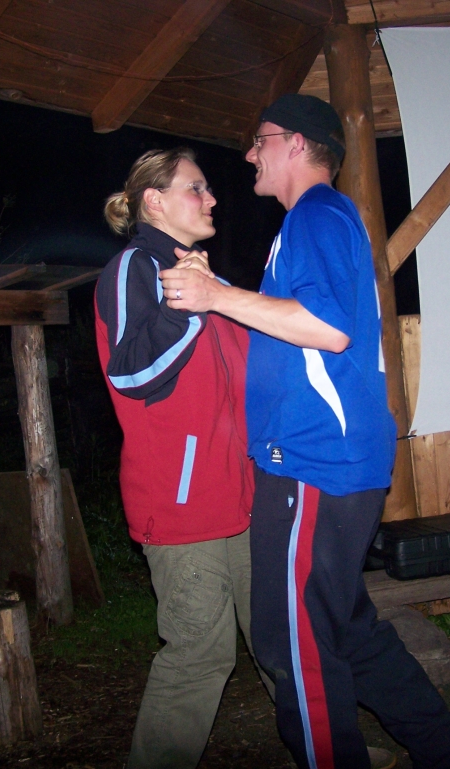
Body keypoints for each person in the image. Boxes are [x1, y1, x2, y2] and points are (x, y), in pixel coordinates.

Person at [159, 94, 450, 769]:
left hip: (312, 464)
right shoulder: (320, 221)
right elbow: (300, 329)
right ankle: (448, 752)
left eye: (261, 140)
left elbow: (327, 329)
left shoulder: (315, 214)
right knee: (345, 629)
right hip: (333, 464)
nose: (250, 154)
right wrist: (225, 297)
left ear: (297, 144)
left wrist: (216, 295)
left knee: (292, 642)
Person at [95, 147, 264, 769]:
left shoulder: (206, 282)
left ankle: (332, 752)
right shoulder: (135, 268)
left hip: (247, 496)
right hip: (182, 504)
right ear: (155, 201)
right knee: (199, 655)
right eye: (197, 188)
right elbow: (131, 373)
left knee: (280, 640)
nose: (212, 198)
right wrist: (188, 306)